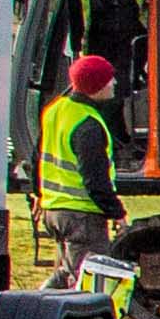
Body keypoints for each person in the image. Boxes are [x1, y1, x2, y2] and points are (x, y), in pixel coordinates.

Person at [37, 52, 126, 283]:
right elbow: (95, 180)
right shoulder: (88, 125)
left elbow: (37, 157)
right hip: (81, 215)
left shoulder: (56, 110)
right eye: (109, 79)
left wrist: (38, 194)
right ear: (96, 87)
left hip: (55, 211)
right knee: (90, 283)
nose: (114, 83)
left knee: (67, 275)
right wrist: (116, 212)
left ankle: (35, 314)